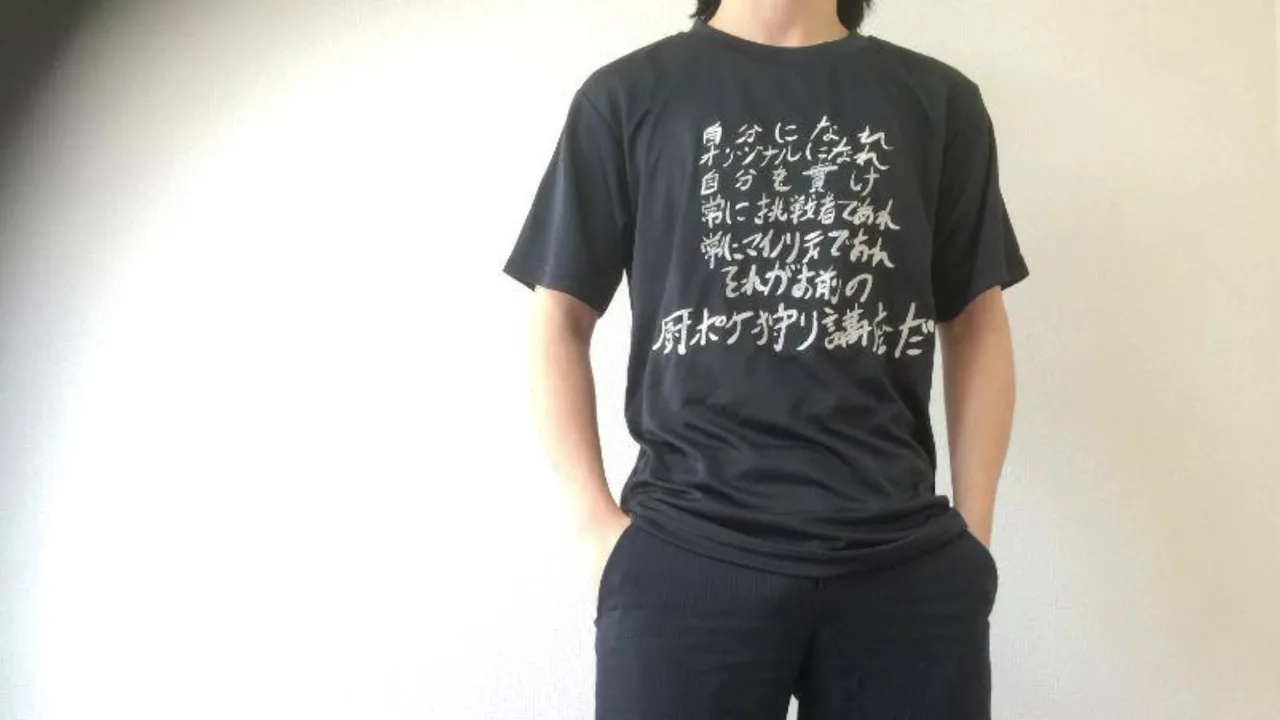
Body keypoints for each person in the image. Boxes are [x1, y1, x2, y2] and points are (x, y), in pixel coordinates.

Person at [502, 0, 1029, 717]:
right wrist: (595, 526)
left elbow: (975, 320)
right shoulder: (626, 96)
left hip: (903, 565)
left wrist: (975, 535)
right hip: (684, 555)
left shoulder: (938, 102)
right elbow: (558, 316)